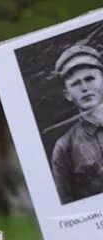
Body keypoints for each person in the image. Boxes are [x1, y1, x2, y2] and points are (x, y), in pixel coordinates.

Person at [50, 43, 103, 204]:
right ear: (67, 94)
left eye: (90, 79)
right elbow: (67, 207)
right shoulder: (64, 147)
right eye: (76, 83)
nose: (85, 88)